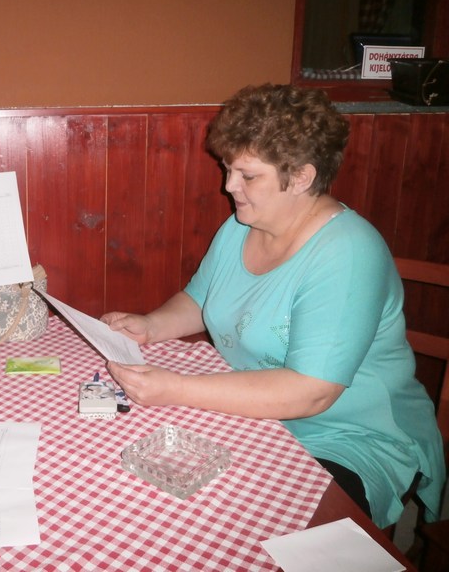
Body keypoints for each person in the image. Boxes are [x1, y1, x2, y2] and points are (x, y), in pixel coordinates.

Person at [101, 84, 445, 529]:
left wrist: (177, 388)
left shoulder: (348, 253)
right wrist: (150, 325)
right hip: (261, 420)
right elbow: (199, 299)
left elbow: (311, 391)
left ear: (301, 177)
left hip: (352, 438)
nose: (228, 186)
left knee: (256, 531)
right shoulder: (241, 226)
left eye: (247, 175)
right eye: (228, 169)